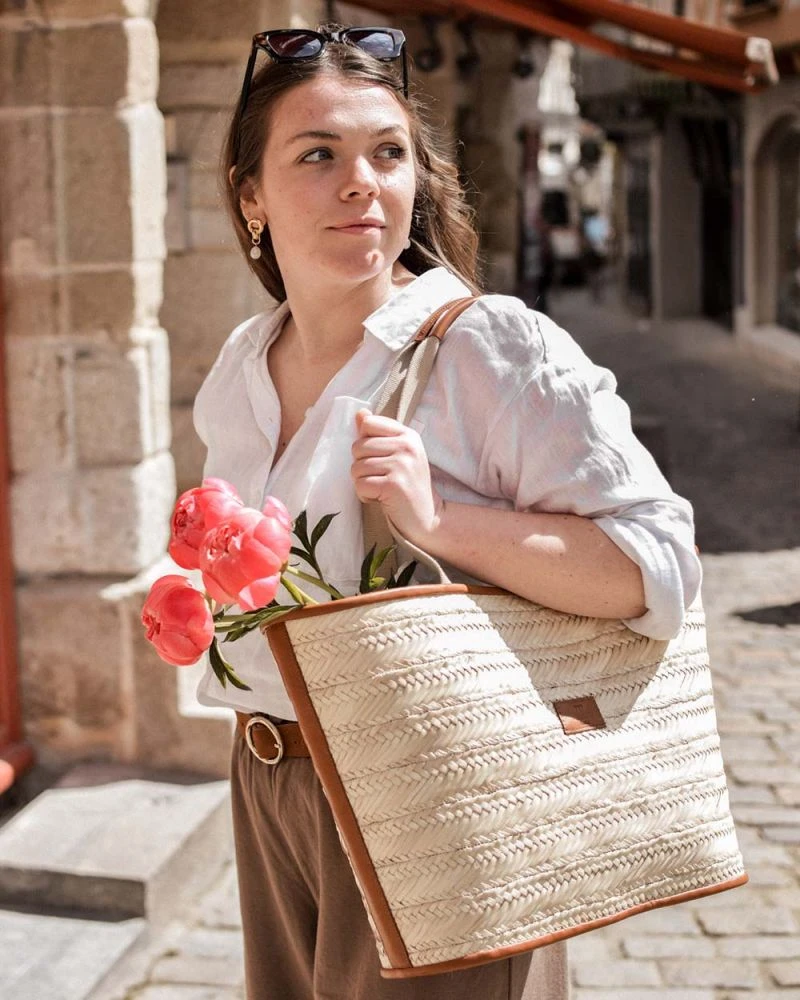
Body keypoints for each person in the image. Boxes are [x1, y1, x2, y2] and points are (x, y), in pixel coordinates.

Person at [192, 23, 702, 1000]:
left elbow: (655, 570)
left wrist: (439, 525)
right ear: (249, 196)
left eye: (387, 153)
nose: (362, 182)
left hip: (434, 797)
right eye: (318, 155)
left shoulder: (486, 349)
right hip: (268, 789)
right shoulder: (241, 364)